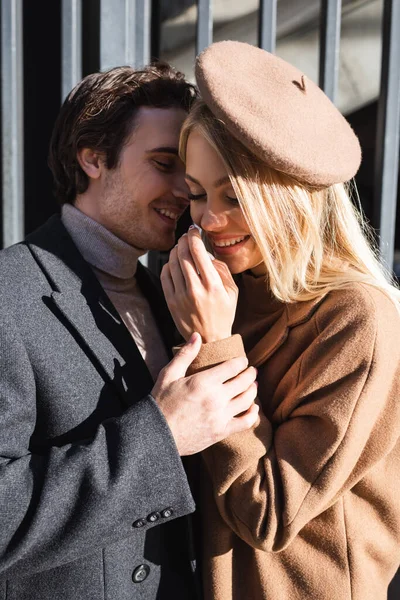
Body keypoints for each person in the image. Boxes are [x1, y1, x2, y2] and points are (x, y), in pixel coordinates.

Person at [0, 62, 259, 600]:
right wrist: (161, 436)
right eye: (165, 163)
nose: (185, 191)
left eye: (189, 174)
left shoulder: (172, 294)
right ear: (93, 158)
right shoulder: (9, 293)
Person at [161, 41, 400, 600]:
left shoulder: (355, 317)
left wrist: (216, 345)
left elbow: (268, 513)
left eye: (235, 196)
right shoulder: (228, 288)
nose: (210, 219)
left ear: (288, 197)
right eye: (196, 193)